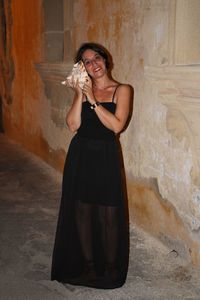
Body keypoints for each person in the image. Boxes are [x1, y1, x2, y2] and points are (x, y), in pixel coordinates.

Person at [51, 42, 133, 289]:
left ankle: (109, 269)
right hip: (81, 156)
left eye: (96, 58)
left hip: (105, 156)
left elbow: (116, 126)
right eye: (87, 61)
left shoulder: (122, 90)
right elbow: (73, 125)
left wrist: (92, 100)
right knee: (83, 212)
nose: (93, 64)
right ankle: (88, 267)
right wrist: (79, 95)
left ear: (105, 60)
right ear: (82, 67)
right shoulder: (81, 91)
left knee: (110, 213)